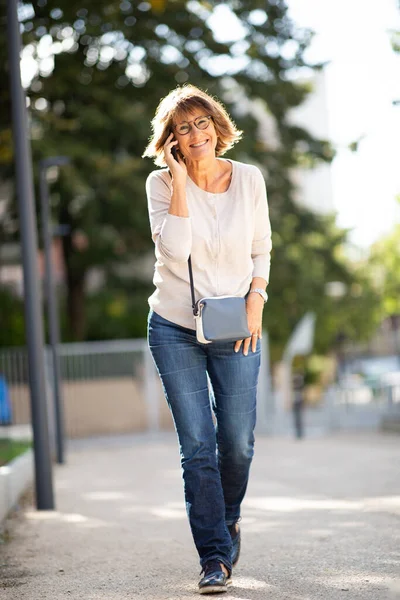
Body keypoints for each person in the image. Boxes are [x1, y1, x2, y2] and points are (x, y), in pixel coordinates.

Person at [142, 84, 272, 595]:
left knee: (236, 442)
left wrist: (257, 298)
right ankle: (214, 557)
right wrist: (178, 179)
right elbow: (174, 254)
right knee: (198, 445)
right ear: (171, 140)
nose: (194, 135)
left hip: (237, 324)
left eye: (201, 124)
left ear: (217, 127)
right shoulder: (159, 184)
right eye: (182, 129)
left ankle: (228, 518)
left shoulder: (249, 179)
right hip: (174, 326)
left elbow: (261, 247)